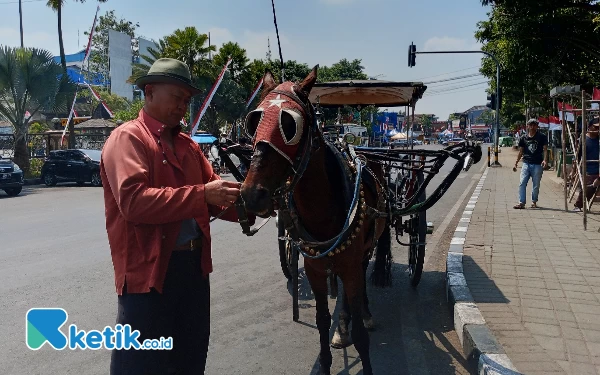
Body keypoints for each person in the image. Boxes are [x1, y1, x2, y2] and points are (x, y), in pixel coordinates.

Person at [100, 58, 251, 374]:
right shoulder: (129, 138)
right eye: (177, 97)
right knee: (141, 365)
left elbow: (215, 198)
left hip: (194, 271)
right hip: (150, 275)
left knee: (189, 358)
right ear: (150, 92)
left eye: (187, 100)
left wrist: (256, 204)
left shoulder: (187, 145)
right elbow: (134, 202)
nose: (183, 105)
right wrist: (201, 195)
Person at [514, 118, 548, 209]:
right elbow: (521, 151)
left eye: (534, 125)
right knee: (522, 183)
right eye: (531, 125)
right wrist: (516, 162)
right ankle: (521, 202)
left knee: (536, 184)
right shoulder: (523, 138)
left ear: (537, 126)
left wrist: (545, 160)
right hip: (526, 163)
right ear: (528, 126)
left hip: (537, 164)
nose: (532, 127)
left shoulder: (542, 137)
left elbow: (545, 150)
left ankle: (534, 202)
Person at [574, 119, 600, 210]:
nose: (597, 129)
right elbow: (578, 156)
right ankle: (579, 205)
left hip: (598, 168)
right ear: (589, 127)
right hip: (588, 169)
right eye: (595, 127)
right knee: (588, 188)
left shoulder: (599, 139)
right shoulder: (583, 139)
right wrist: (576, 169)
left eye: (599, 127)